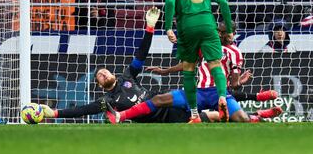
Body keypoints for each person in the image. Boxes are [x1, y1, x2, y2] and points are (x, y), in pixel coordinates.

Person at [40, 6, 220, 123]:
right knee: (212, 117)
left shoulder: (128, 75)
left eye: (105, 71)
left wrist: (150, 28)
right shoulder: (108, 101)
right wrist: (55, 113)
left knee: (215, 100)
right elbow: (82, 110)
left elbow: (141, 54)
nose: (103, 74)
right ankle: (240, 115)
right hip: (164, 119)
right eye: (100, 76)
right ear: (100, 85)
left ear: (112, 73)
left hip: (167, 101)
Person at [105, 21, 282, 123]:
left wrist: (239, 81)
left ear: (232, 34)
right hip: (198, 92)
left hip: (219, 94)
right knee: (159, 99)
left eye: (225, 32)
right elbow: (188, 64)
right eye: (219, 31)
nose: (221, 34)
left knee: (241, 120)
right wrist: (166, 71)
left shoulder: (234, 52)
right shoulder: (205, 46)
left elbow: (233, 83)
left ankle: (259, 115)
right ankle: (120, 116)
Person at [164, 0, 233, 122]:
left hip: (187, 26)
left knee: (188, 69)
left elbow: (171, 2)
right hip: (208, 25)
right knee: (215, 64)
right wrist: (229, 29)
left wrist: (168, 28)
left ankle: (194, 114)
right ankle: (222, 97)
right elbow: (224, 3)